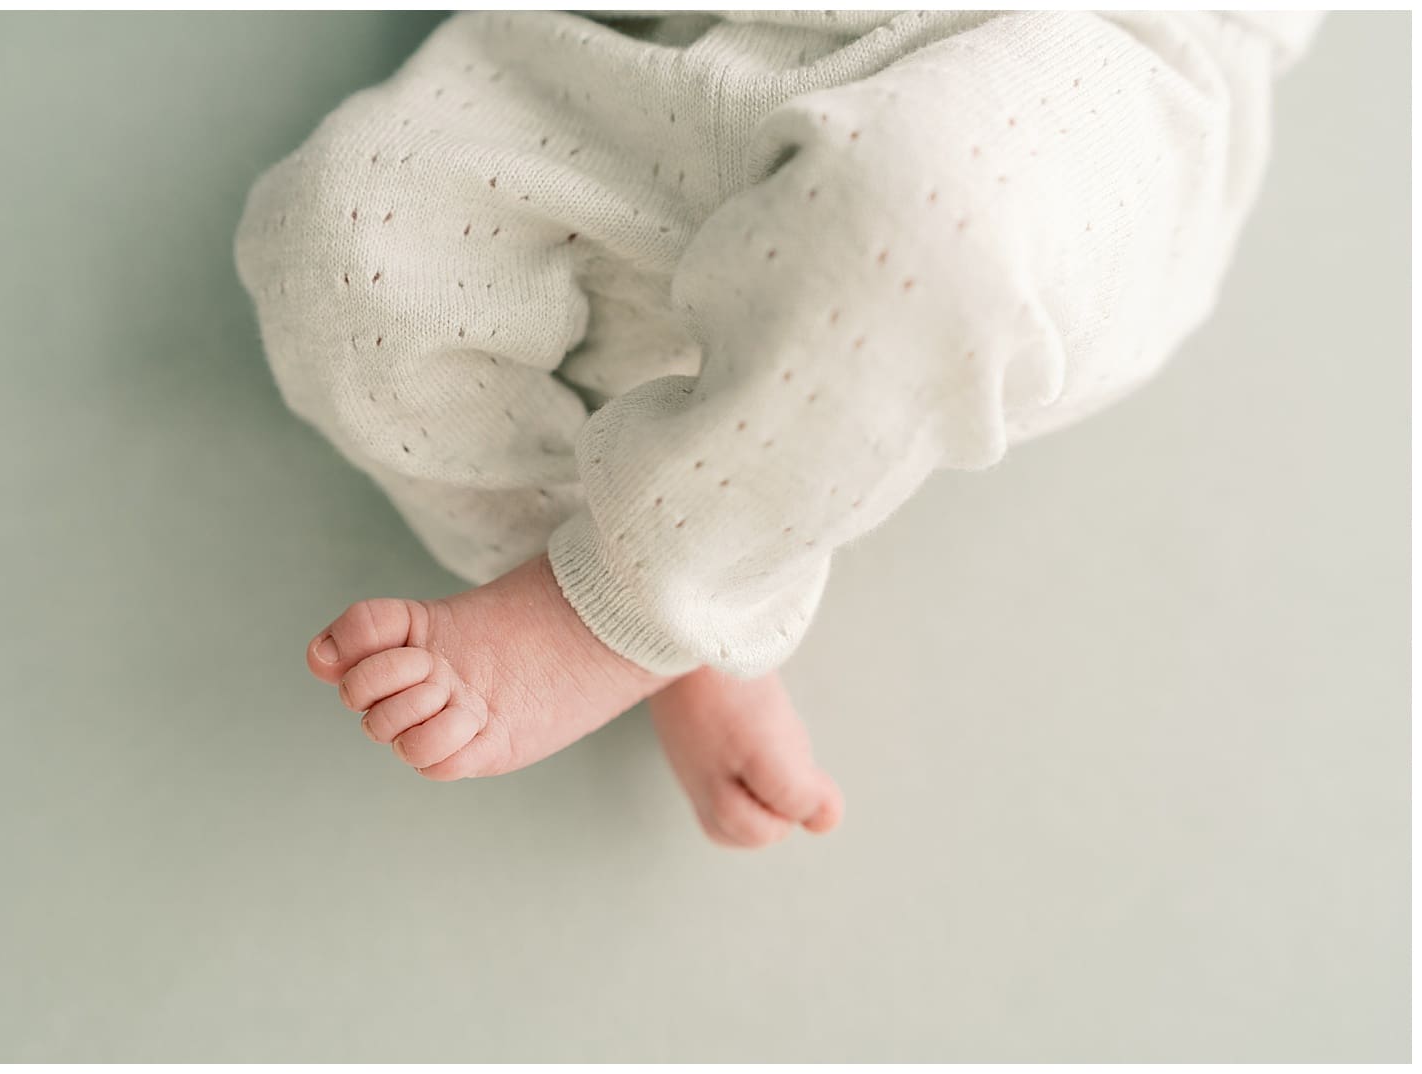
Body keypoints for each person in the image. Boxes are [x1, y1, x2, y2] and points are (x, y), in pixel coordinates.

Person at [235, 10, 1319, 847]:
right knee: (338, 237)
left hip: (1062, 49)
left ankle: (624, 604)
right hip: (658, 44)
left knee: (923, 221)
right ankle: (666, 579)